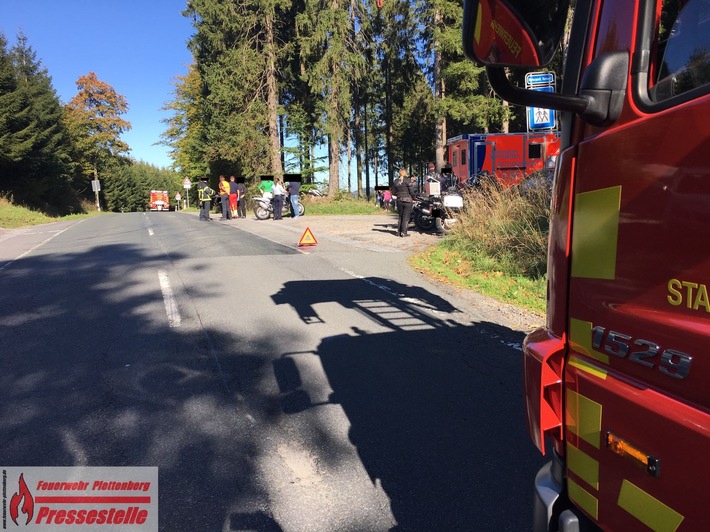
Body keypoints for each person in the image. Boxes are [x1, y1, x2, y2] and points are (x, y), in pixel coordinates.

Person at [391, 167, 417, 237]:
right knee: (406, 216)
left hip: (399, 200)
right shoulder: (407, 180)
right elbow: (411, 191)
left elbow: (393, 192)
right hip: (408, 201)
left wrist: (397, 195)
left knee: (400, 216)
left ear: (399, 173)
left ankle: (398, 232)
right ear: (405, 173)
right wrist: (414, 197)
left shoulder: (395, 181)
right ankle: (404, 232)